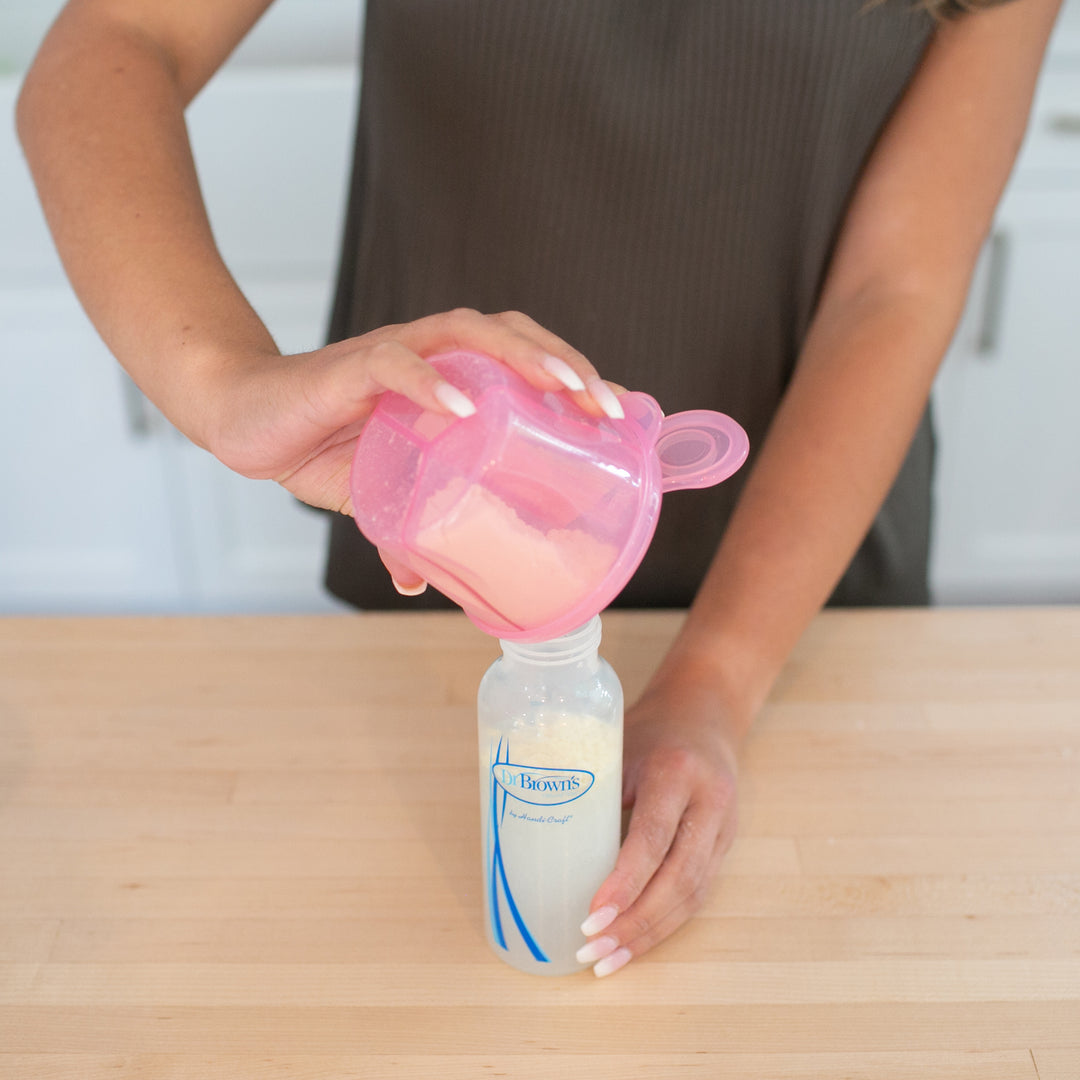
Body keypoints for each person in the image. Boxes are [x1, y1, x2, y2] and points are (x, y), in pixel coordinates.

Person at [16, 0, 1062, 977]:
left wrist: (715, 683)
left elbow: (896, 289)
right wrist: (227, 387)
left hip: (795, 576)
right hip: (449, 545)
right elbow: (114, 43)